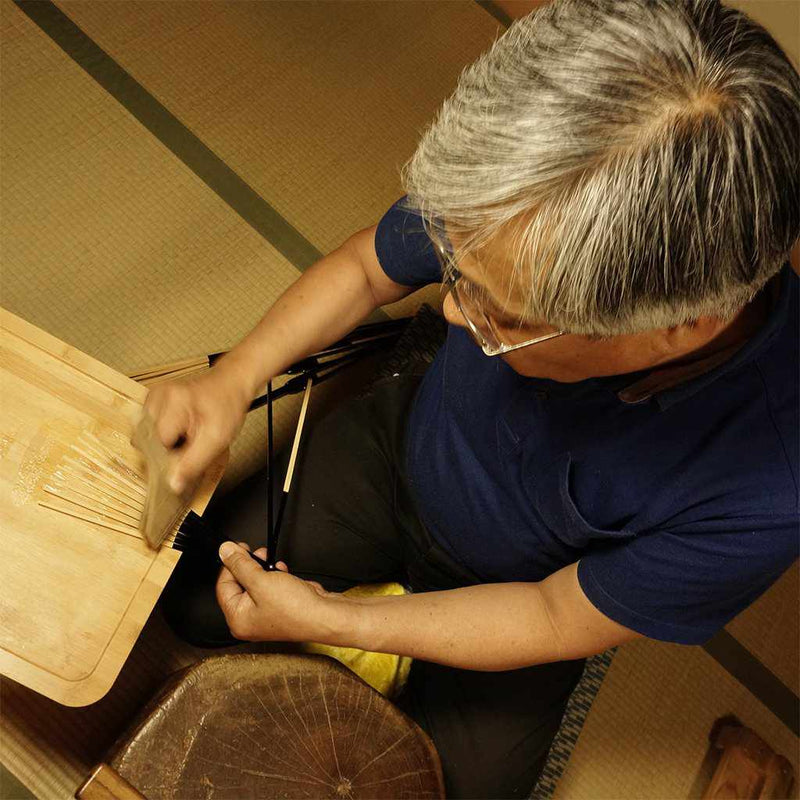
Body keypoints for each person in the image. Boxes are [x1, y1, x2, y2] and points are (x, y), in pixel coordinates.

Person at [148, 1, 800, 797]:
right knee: (188, 600)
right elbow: (366, 270)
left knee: (440, 788)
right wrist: (235, 378)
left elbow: (556, 618)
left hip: (527, 593)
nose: (451, 311)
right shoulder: (526, 196)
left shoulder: (771, 486)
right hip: (406, 445)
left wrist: (336, 623)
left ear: (676, 327)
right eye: (458, 270)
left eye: (502, 314)